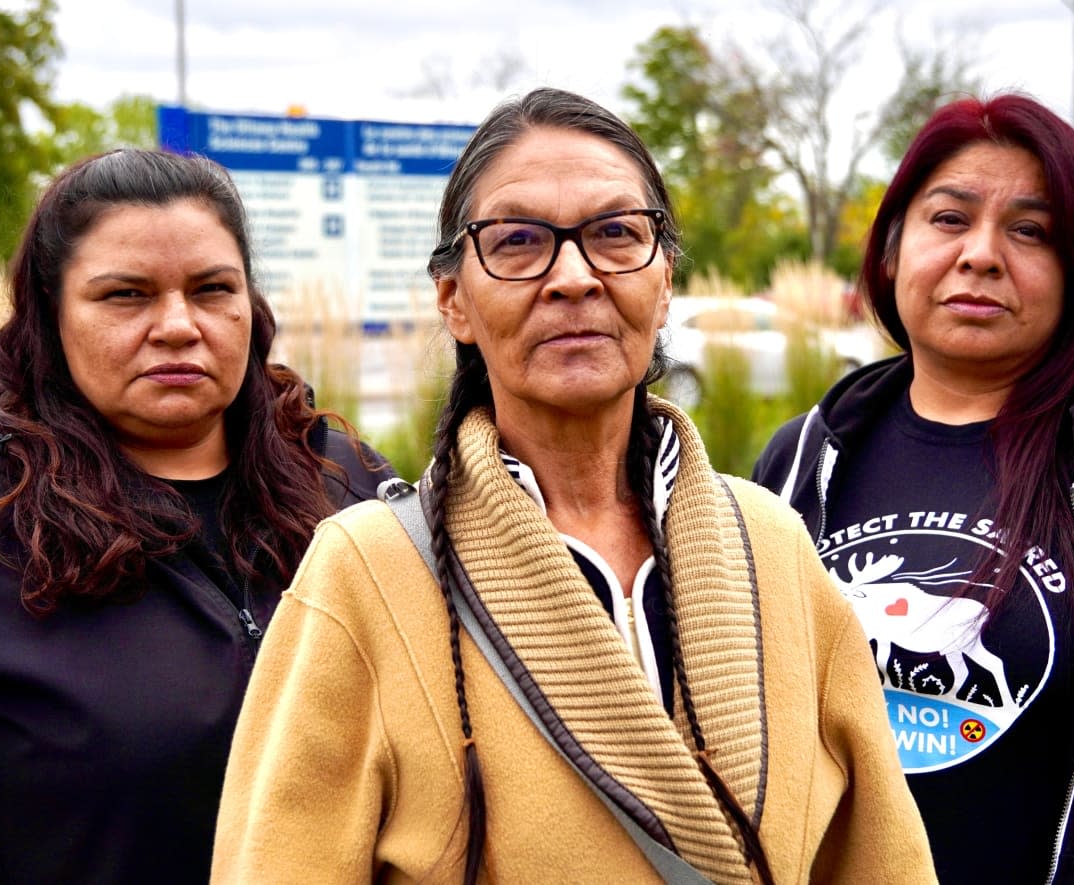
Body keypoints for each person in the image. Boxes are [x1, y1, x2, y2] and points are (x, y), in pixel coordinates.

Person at [212, 86, 934, 885]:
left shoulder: (773, 546)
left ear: (664, 284)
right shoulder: (367, 573)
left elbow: (880, 859)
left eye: (616, 234)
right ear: (454, 299)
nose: (573, 276)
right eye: (518, 241)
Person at [753, 92, 1074, 884]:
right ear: (892, 249)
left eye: (1030, 231)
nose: (982, 254)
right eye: (949, 218)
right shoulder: (803, 458)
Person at [0, 148, 395, 883]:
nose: (177, 325)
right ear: (50, 314)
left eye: (210, 289)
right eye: (125, 295)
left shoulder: (346, 483)